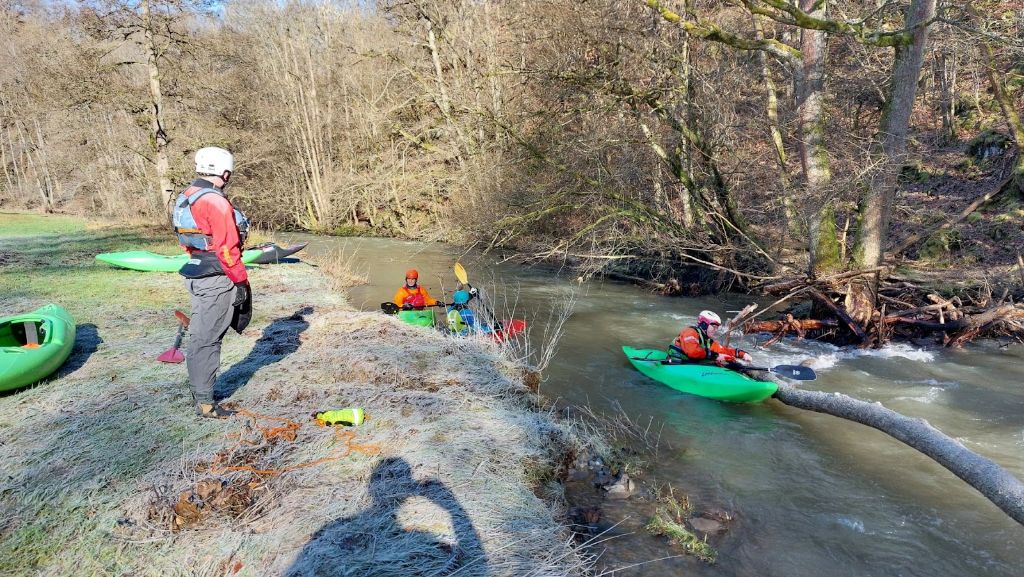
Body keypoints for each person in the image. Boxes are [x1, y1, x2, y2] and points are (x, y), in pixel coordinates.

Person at [171, 146, 251, 419]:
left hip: (197, 272)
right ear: (225, 172)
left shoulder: (188, 195)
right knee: (207, 339)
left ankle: (200, 392)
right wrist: (240, 282)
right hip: (216, 279)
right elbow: (228, 249)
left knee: (202, 336)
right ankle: (205, 402)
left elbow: (188, 239)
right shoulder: (215, 201)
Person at [669, 310, 753, 365]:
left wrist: (740, 354)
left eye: (717, 327)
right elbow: (692, 351)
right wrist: (716, 356)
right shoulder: (690, 332)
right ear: (704, 325)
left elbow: (723, 350)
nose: (716, 330)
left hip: (690, 364)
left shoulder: (707, 340)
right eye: (714, 327)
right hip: (677, 363)